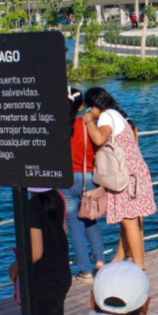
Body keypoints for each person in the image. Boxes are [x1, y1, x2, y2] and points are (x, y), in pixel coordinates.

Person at [82, 87, 156, 269]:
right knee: (127, 218)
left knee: (129, 222)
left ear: (94, 106)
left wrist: (89, 121)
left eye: (90, 109)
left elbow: (99, 139)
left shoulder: (106, 116)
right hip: (134, 172)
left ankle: (138, 266)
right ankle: (118, 259)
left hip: (125, 176)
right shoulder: (117, 114)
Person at [8, 188, 72, 315]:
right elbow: (62, 231)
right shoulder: (58, 196)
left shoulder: (32, 207)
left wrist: (14, 268)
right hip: (61, 274)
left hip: (43, 281)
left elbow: (35, 252)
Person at [61, 87, 106, 280]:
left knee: (73, 225)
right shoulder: (88, 124)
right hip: (89, 178)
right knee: (90, 219)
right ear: (82, 106)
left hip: (67, 179)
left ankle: (85, 269)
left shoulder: (57, 125)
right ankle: (100, 261)